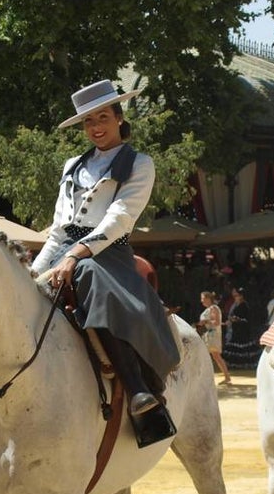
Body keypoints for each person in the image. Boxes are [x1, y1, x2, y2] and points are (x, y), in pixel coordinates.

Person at [33, 80, 179, 439]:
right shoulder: (71, 165)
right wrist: (34, 271)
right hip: (65, 251)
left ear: (118, 117)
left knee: (85, 272)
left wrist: (73, 256)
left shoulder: (140, 163)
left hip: (107, 253)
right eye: (88, 122)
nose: (96, 127)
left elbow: (120, 218)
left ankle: (138, 390)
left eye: (102, 117)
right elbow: (58, 229)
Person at [197, 290, 232, 384]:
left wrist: (206, 321)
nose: (202, 301)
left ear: (208, 299)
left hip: (212, 335)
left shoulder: (214, 308)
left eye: (203, 298)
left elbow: (217, 322)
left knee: (215, 356)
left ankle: (226, 377)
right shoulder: (210, 309)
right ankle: (226, 376)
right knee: (215, 356)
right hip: (207, 335)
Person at [223, 286, 258, 368]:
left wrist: (237, 319)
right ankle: (235, 363)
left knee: (243, 345)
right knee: (235, 345)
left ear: (241, 296)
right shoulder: (236, 305)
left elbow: (246, 318)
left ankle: (244, 364)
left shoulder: (244, 305)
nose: (235, 297)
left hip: (242, 329)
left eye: (237, 295)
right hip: (236, 329)